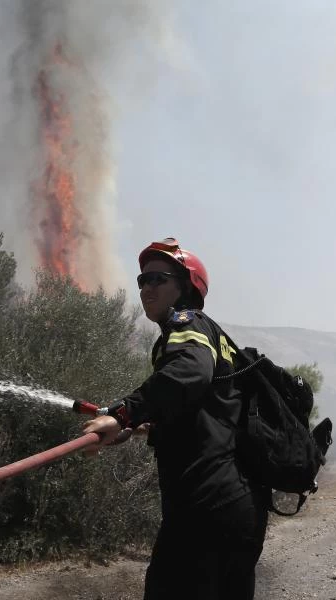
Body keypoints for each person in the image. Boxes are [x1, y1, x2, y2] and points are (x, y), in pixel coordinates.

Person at [82, 237, 269, 600]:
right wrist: (143, 426)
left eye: (158, 279)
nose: (146, 287)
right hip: (237, 506)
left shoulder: (186, 322)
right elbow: (206, 411)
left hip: (205, 508)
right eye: (142, 281)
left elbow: (189, 373)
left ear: (185, 287)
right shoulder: (211, 334)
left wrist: (124, 413)